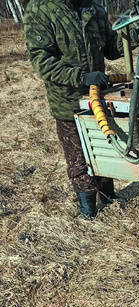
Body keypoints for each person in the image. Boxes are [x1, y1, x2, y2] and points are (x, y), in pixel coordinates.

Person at [24, 0, 124, 220]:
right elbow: (41, 59)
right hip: (67, 100)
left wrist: (132, 33)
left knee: (103, 148)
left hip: (97, 96)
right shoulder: (41, 9)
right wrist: (80, 77)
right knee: (77, 156)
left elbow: (111, 47)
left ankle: (109, 197)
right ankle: (88, 208)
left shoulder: (93, 8)